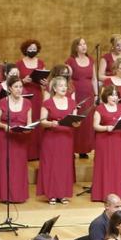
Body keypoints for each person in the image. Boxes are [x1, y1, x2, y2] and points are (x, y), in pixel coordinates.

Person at [38, 75, 79, 204]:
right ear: (54, 88)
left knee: (64, 166)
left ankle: (62, 194)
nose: (64, 88)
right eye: (61, 86)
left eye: (65, 86)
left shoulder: (72, 103)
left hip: (66, 138)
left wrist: (77, 123)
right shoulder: (48, 103)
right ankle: (51, 194)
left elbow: (75, 120)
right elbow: (42, 121)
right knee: (51, 166)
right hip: (51, 138)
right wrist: (50, 124)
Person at [0, 76, 32, 204]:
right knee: (5, 166)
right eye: (16, 87)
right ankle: (5, 196)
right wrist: (5, 126)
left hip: (20, 139)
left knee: (18, 167)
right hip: (5, 138)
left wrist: (28, 129)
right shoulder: (2, 102)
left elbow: (29, 123)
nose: (19, 89)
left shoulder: (27, 103)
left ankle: (18, 195)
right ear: (9, 88)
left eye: (21, 87)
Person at [91, 85, 121, 202]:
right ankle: (102, 194)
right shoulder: (100, 108)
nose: (114, 97)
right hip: (104, 140)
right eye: (111, 95)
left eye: (116, 95)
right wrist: (106, 128)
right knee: (104, 166)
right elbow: (95, 126)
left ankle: (116, 194)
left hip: (118, 140)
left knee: (116, 166)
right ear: (106, 96)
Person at [65, 37, 97, 157]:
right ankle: (72, 148)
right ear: (75, 47)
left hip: (89, 94)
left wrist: (97, 94)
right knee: (75, 119)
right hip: (76, 94)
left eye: (85, 44)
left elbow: (94, 79)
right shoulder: (71, 61)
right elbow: (67, 79)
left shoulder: (91, 60)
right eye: (80, 44)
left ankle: (84, 149)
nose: (84, 46)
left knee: (87, 122)